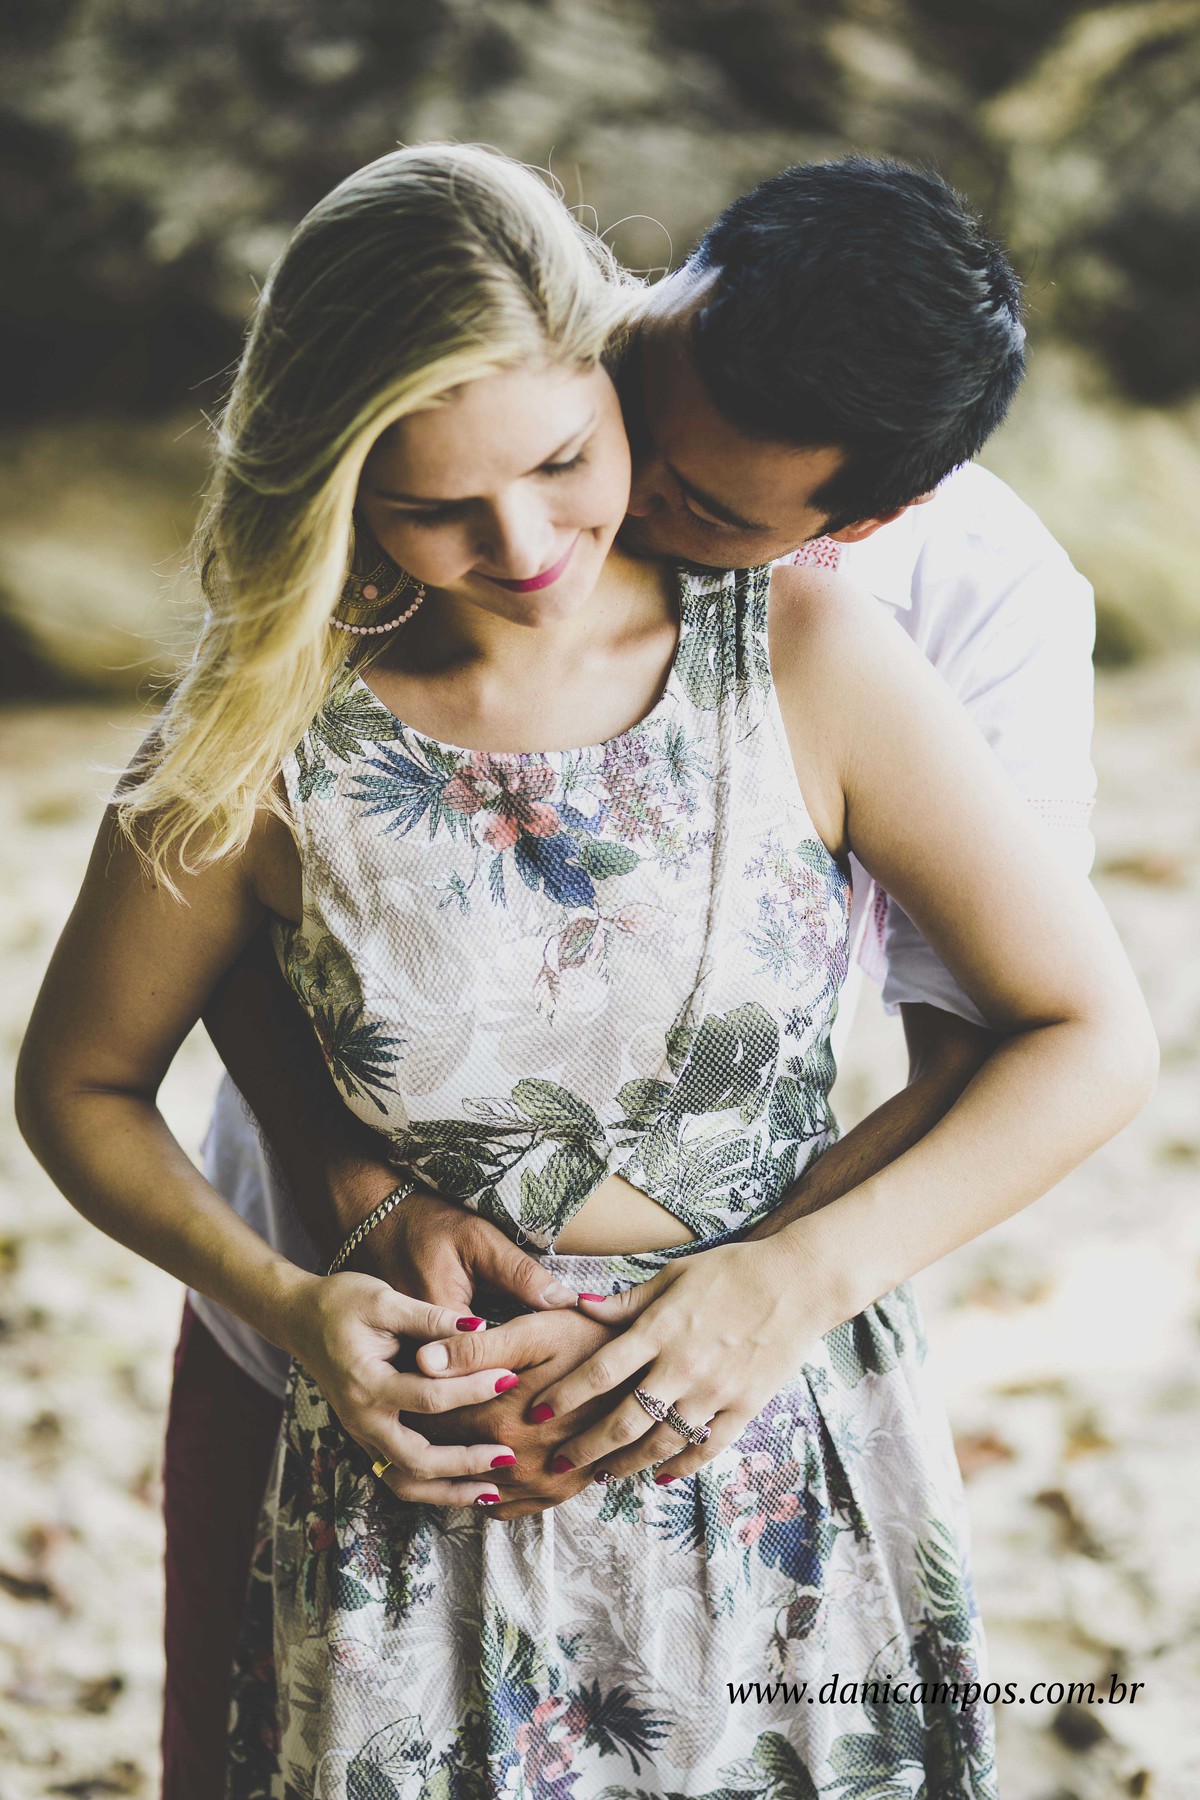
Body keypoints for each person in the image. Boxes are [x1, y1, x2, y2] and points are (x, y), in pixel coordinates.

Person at [14, 144, 1155, 1797]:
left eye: (610, 478)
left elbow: (1033, 1034)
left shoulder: (884, 629)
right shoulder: (503, 355)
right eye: (447, 498)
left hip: (758, 1404)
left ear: (850, 528)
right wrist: (326, 1242)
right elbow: (134, 1029)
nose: (546, 537)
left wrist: (763, 1294)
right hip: (395, 1413)